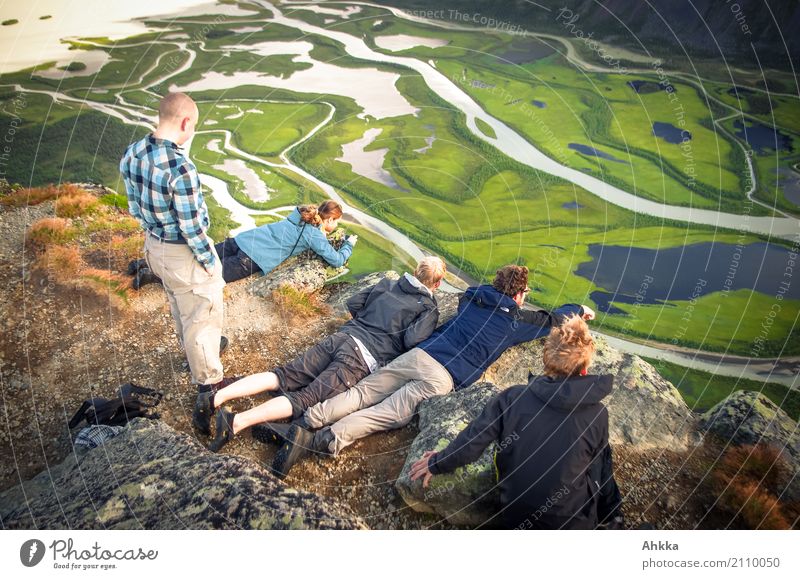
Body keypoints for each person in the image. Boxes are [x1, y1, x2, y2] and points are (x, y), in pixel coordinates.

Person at [269, 264, 596, 478]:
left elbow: (488, 293)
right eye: (523, 294)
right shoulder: (515, 322)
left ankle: (306, 421)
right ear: (520, 294)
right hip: (443, 376)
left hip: (419, 354)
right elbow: (555, 319)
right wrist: (578, 309)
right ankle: (324, 440)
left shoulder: (472, 298)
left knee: (362, 392)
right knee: (385, 413)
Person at [195, 256, 448, 451]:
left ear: (415, 271)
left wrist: (364, 325)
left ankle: (217, 397)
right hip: (362, 359)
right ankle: (236, 422)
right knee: (304, 400)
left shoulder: (388, 283)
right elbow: (412, 340)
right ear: (436, 283)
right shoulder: (427, 307)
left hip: (342, 337)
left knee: (282, 375)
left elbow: (354, 304)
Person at [409, 314, 624, 530]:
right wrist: (611, 513)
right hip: (573, 523)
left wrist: (437, 463)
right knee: (600, 457)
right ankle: (612, 519)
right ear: (585, 367)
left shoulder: (512, 398)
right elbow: (600, 472)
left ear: (546, 359)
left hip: (516, 518)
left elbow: (472, 442)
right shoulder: (598, 414)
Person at [119, 92, 233, 395]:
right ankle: (210, 384)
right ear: (186, 122)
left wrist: (152, 233)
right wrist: (210, 263)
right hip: (183, 253)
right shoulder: (181, 169)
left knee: (180, 306)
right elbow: (192, 229)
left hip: (154, 247)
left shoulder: (134, 151)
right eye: (193, 125)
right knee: (202, 313)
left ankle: (198, 355)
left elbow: (133, 206)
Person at [128, 200, 357, 289]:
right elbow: (336, 259)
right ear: (330, 220)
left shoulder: (301, 213)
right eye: (336, 222)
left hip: (242, 240)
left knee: (197, 255)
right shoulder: (315, 235)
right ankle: (151, 276)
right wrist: (348, 244)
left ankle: (143, 263)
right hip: (251, 258)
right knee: (204, 276)